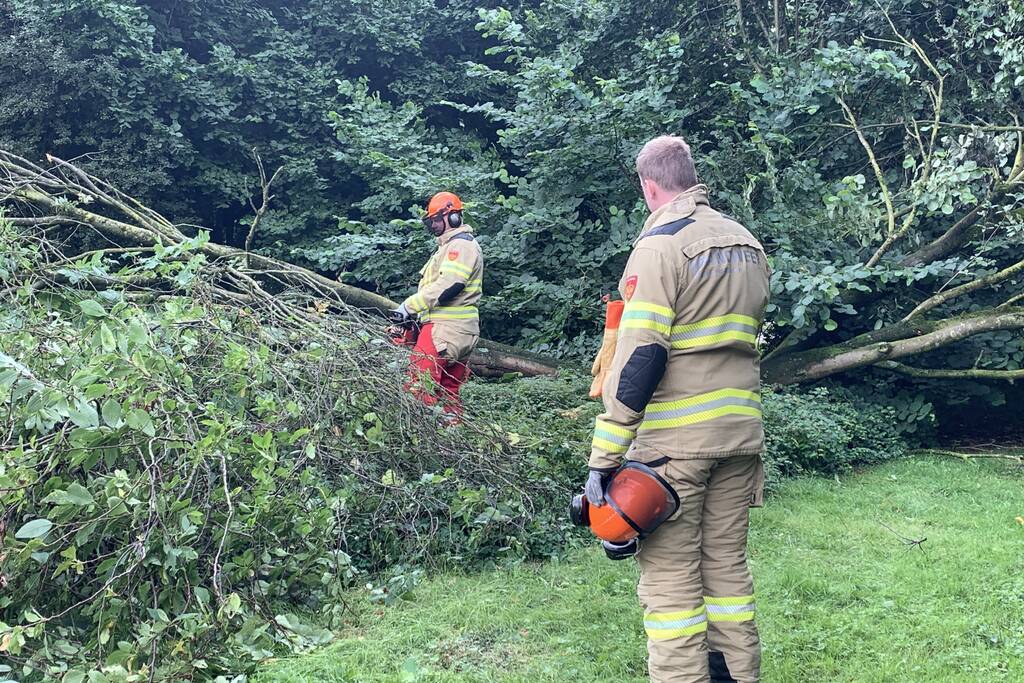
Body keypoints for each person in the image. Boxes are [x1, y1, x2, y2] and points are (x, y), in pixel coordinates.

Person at [586, 136, 770, 682]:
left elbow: (640, 359)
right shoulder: (748, 244)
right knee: (727, 576)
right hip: (740, 438)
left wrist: (605, 458)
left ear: (649, 186)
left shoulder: (660, 245)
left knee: (671, 592)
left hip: (674, 449)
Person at [392, 191, 483, 421]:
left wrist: (409, 306)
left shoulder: (459, 247)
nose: (433, 225)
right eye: (430, 220)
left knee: (419, 387)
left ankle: (423, 442)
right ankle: (452, 440)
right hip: (460, 331)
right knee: (448, 392)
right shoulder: (455, 246)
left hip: (444, 330)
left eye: (436, 219)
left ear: (452, 217)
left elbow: (449, 285)